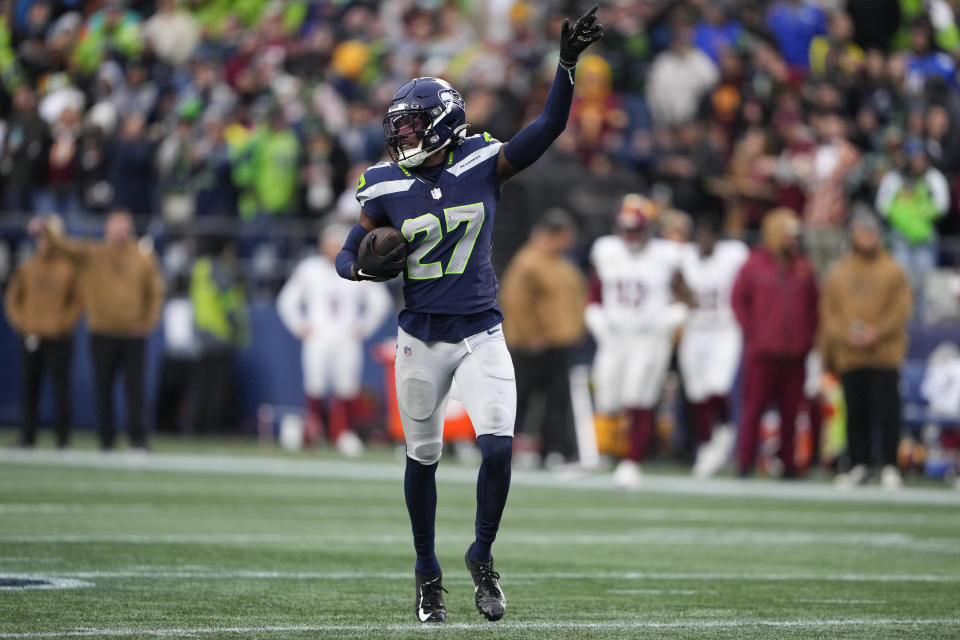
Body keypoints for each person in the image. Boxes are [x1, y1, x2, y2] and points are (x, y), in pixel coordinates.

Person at [334, 6, 602, 624]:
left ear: (443, 125)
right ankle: (427, 572)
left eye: (411, 128)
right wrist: (360, 267)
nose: (400, 139)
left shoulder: (482, 160)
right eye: (397, 129)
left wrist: (564, 66)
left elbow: (548, 126)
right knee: (421, 458)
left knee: (500, 449)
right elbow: (351, 251)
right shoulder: (382, 185)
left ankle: (481, 555)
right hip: (421, 336)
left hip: (481, 330)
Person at [585, 194, 687, 489]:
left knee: (638, 398)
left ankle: (632, 461)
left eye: (636, 229)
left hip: (648, 338)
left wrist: (670, 319)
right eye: (626, 229)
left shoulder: (668, 255)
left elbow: (685, 295)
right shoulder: (607, 250)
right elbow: (595, 292)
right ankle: (608, 453)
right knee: (607, 397)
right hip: (616, 335)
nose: (631, 235)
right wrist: (598, 321)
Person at [44, 209, 164, 451]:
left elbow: (155, 293)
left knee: (135, 390)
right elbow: (64, 248)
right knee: (103, 388)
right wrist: (47, 228)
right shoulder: (94, 253)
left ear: (130, 228)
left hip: (133, 333)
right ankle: (106, 440)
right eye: (116, 226)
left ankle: (137, 439)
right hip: (102, 331)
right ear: (107, 229)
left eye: (124, 226)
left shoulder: (142, 257)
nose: (120, 232)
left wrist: (148, 322)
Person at [277, 224, 392, 456]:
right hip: (318, 336)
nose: (332, 249)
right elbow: (287, 300)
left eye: (337, 244)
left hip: (345, 337)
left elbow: (380, 302)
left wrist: (363, 326)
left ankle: (345, 434)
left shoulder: (356, 267)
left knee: (347, 386)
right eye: (329, 244)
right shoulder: (309, 269)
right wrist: (300, 326)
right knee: (315, 385)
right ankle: (314, 432)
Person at [819, 211, 912, 489]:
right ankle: (858, 464)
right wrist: (845, 335)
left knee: (887, 412)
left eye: (872, 233)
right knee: (855, 411)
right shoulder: (840, 272)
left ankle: (889, 465)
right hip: (851, 354)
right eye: (863, 232)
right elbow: (829, 312)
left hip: (883, 353)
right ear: (853, 236)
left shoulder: (893, 269)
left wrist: (876, 333)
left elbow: (901, 309)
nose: (868, 238)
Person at [731, 208, 819, 477]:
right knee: (753, 408)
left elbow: (815, 307)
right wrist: (754, 333)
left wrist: (806, 339)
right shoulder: (754, 264)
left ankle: (788, 463)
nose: (793, 239)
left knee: (792, 412)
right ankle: (745, 460)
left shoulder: (804, 266)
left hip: (795, 353)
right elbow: (738, 301)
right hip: (763, 351)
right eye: (788, 233)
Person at [499, 209, 587, 466]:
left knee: (556, 401)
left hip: (558, 344)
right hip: (533, 345)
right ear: (553, 235)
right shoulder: (528, 262)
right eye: (566, 236)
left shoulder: (560, 263)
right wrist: (529, 336)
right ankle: (499, 446)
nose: (570, 242)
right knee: (518, 398)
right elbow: (516, 303)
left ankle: (552, 450)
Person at [678, 217, 748, 477]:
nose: (704, 242)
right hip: (695, 329)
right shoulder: (684, 257)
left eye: (709, 236)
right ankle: (707, 445)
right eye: (700, 236)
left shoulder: (734, 255)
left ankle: (724, 432)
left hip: (723, 330)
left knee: (717, 386)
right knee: (696, 393)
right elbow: (671, 282)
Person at [4, 214, 82, 448]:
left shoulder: (68, 268)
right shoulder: (27, 267)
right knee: (29, 388)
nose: (44, 242)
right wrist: (24, 324)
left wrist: (62, 324)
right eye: (41, 238)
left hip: (59, 337)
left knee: (61, 389)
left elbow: (78, 301)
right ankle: (28, 436)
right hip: (31, 336)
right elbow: (12, 301)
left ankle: (63, 439)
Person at [190, 236, 249, 433]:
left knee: (203, 383)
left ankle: (198, 425)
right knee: (218, 386)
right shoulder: (219, 269)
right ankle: (213, 426)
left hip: (201, 331)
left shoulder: (200, 267)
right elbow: (227, 300)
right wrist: (236, 327)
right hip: (220, 333)